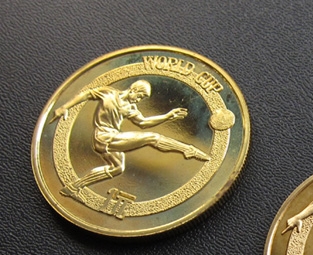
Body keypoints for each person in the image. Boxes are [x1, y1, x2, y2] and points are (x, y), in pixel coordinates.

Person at [51, 80, 209, 198]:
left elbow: (143, 123)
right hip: (105, 136)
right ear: (133, 89)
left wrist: (167, 116)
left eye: (142, 99)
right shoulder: (108, 93)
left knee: (117, 168)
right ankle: (188, 150)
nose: (138, 100)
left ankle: (72, 187)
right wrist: (64, 107)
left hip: (110, 138)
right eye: (140, 96)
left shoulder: (130, 108)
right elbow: (86, 94)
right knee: (152, 137)